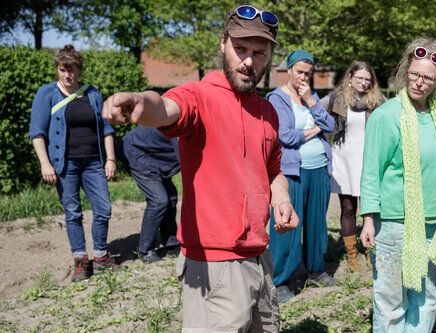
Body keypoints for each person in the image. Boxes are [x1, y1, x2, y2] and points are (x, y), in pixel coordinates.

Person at [102, 5, 298, 332]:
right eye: (241, 49)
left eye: (259, 52)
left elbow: (272, 168)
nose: (249, 61)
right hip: (214, 267)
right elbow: (166, 107)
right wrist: (140, 102)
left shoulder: (268, 111)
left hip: (261, 258)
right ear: (223, 43)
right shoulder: (200, 96)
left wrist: (281, 200)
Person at [359, 38, 436, 332]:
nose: (419, 83)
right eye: (414, 74)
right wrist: (368, 219)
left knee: (427, 298)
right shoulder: (386, 115)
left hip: (435, 224)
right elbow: (371, 172)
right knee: (391, 300)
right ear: (406, 71)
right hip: (394, 224)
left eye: (427, 78)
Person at [29, 45, 119, 283]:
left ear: (79, 70)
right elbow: (37, 133)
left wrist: (110, 158)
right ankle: (81, 260)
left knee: (103, 209)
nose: (67, 75)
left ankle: (100, 257)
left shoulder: (93, 94)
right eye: (62, 70)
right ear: (57, 70)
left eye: (72, 70)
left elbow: (106, 129)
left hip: (93, 163)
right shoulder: (46, 94)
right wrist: (44, 164)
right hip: (64, 164)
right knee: (73, 213)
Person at [266, 49, 337, 303]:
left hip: (319, 167)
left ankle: (316, 270)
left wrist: (310, 101)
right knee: (286, 226)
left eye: (308, 73)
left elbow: (330, 126)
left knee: (317, 222)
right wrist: (313, 130)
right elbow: (285, 136)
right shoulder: (276, 99)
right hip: (291, 171)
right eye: (299, 71)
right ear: (289, 70)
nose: (303, 77)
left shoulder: (312, 97)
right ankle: (281, 279)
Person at [320, 61, 385, 271]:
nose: (364, 83)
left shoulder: (378, 100)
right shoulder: (335, 99)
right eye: (360, 78)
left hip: (368, 159)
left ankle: (370, 251)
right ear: (350, 77)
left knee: (371, 209)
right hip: (344, 160)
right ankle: (352, 255)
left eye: (368, 79)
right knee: (348, 208)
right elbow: (313, 110)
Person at [117, 125, 181, 263]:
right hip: (134, 150)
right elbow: (184, 157)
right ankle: (145, 250)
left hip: (152, 155)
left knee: (171, 197)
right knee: (159, 200)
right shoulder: (182, 125)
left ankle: (172, 244)